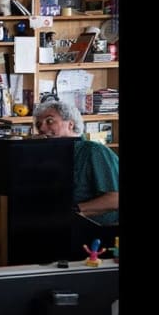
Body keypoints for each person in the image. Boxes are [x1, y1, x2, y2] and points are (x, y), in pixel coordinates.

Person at [32, 99, 119, 247]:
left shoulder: (93, 150)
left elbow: (114, 199)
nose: (43, 128)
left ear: (70, 124)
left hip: (95, 233)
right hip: (53, 225)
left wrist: (75, 210)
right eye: (39, 124)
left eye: (50, 121)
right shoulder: (47, 152)